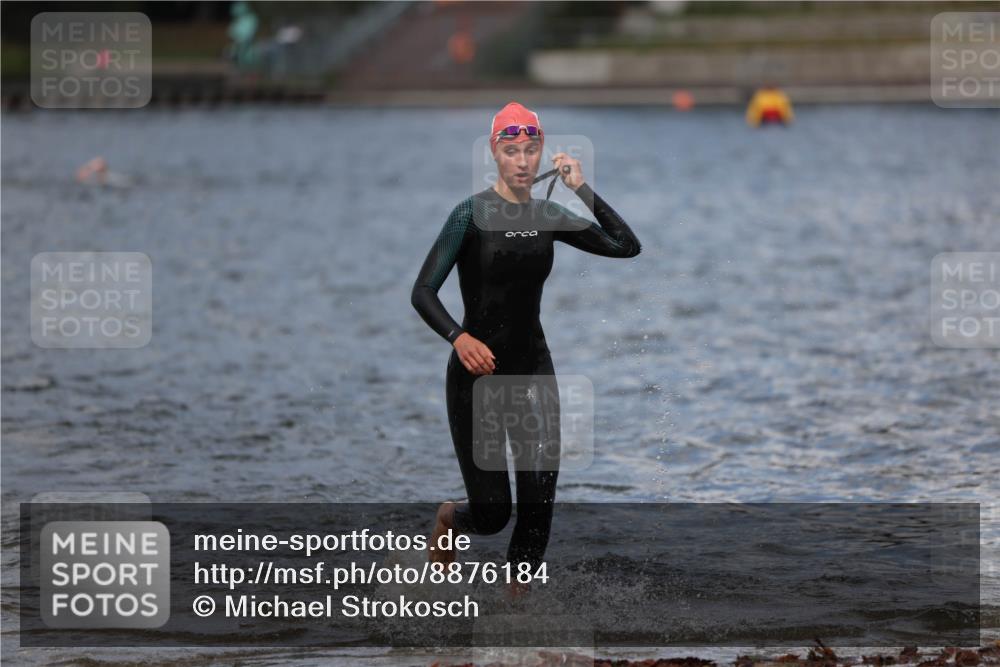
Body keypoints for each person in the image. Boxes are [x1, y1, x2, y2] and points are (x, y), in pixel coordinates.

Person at [410, 101, 641, 598]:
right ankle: (451, 516)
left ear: (541, 152)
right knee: (494, 515)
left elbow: (626, 246)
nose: (521, 160)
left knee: (539, 501)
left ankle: (518, 615)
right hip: (477, 377)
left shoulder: (549, 214)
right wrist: (459, 336)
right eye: (511, 150)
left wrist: (581, 187)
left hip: (534, 370)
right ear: (495, 152)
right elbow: (422, 292)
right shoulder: (469, 216)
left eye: (530, 149)